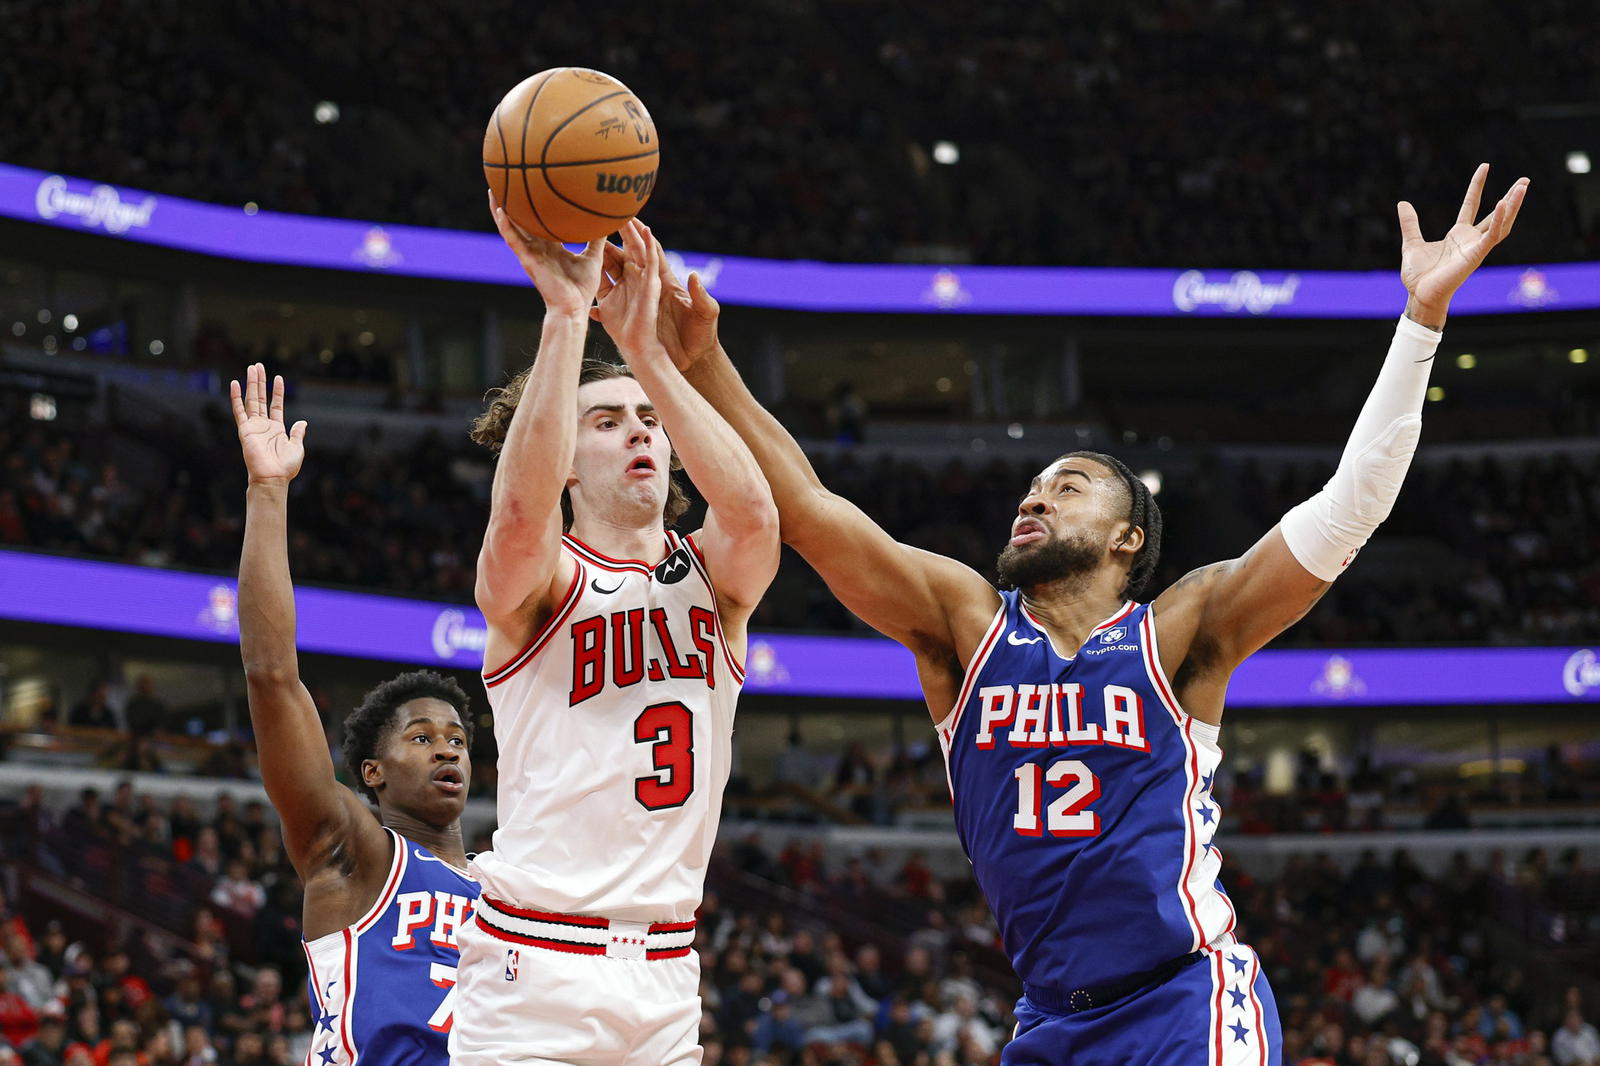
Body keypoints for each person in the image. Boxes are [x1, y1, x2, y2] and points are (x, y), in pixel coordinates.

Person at [674, 165, 1528, 1064]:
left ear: (1126, 538)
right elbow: (807, 508)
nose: (1035, 499)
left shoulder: (1181, 630)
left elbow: (1351, 506)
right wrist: (701, 364)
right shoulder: (966, 627)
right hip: (1049, 1019)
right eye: (1032, 489)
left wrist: (1420, 321)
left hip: (1184, 997)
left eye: (1067, 487)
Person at [449, 202, 779, 1066]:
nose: (639, 429)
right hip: (534, 963)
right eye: (606, 422)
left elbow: (752, 513)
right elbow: (518, 514)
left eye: (649, 421)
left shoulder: (715, 578)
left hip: (667, 973)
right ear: (564, 454)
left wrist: (648, 354)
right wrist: (567, 317)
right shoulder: (541, 581)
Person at [230, 363, 479, 1064]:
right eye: (423, 737)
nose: (447, 751)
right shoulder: (356, 851)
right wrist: (269, 493)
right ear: (373, 770)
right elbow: (272, 677)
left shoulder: (510, 884)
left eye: (457, 739)